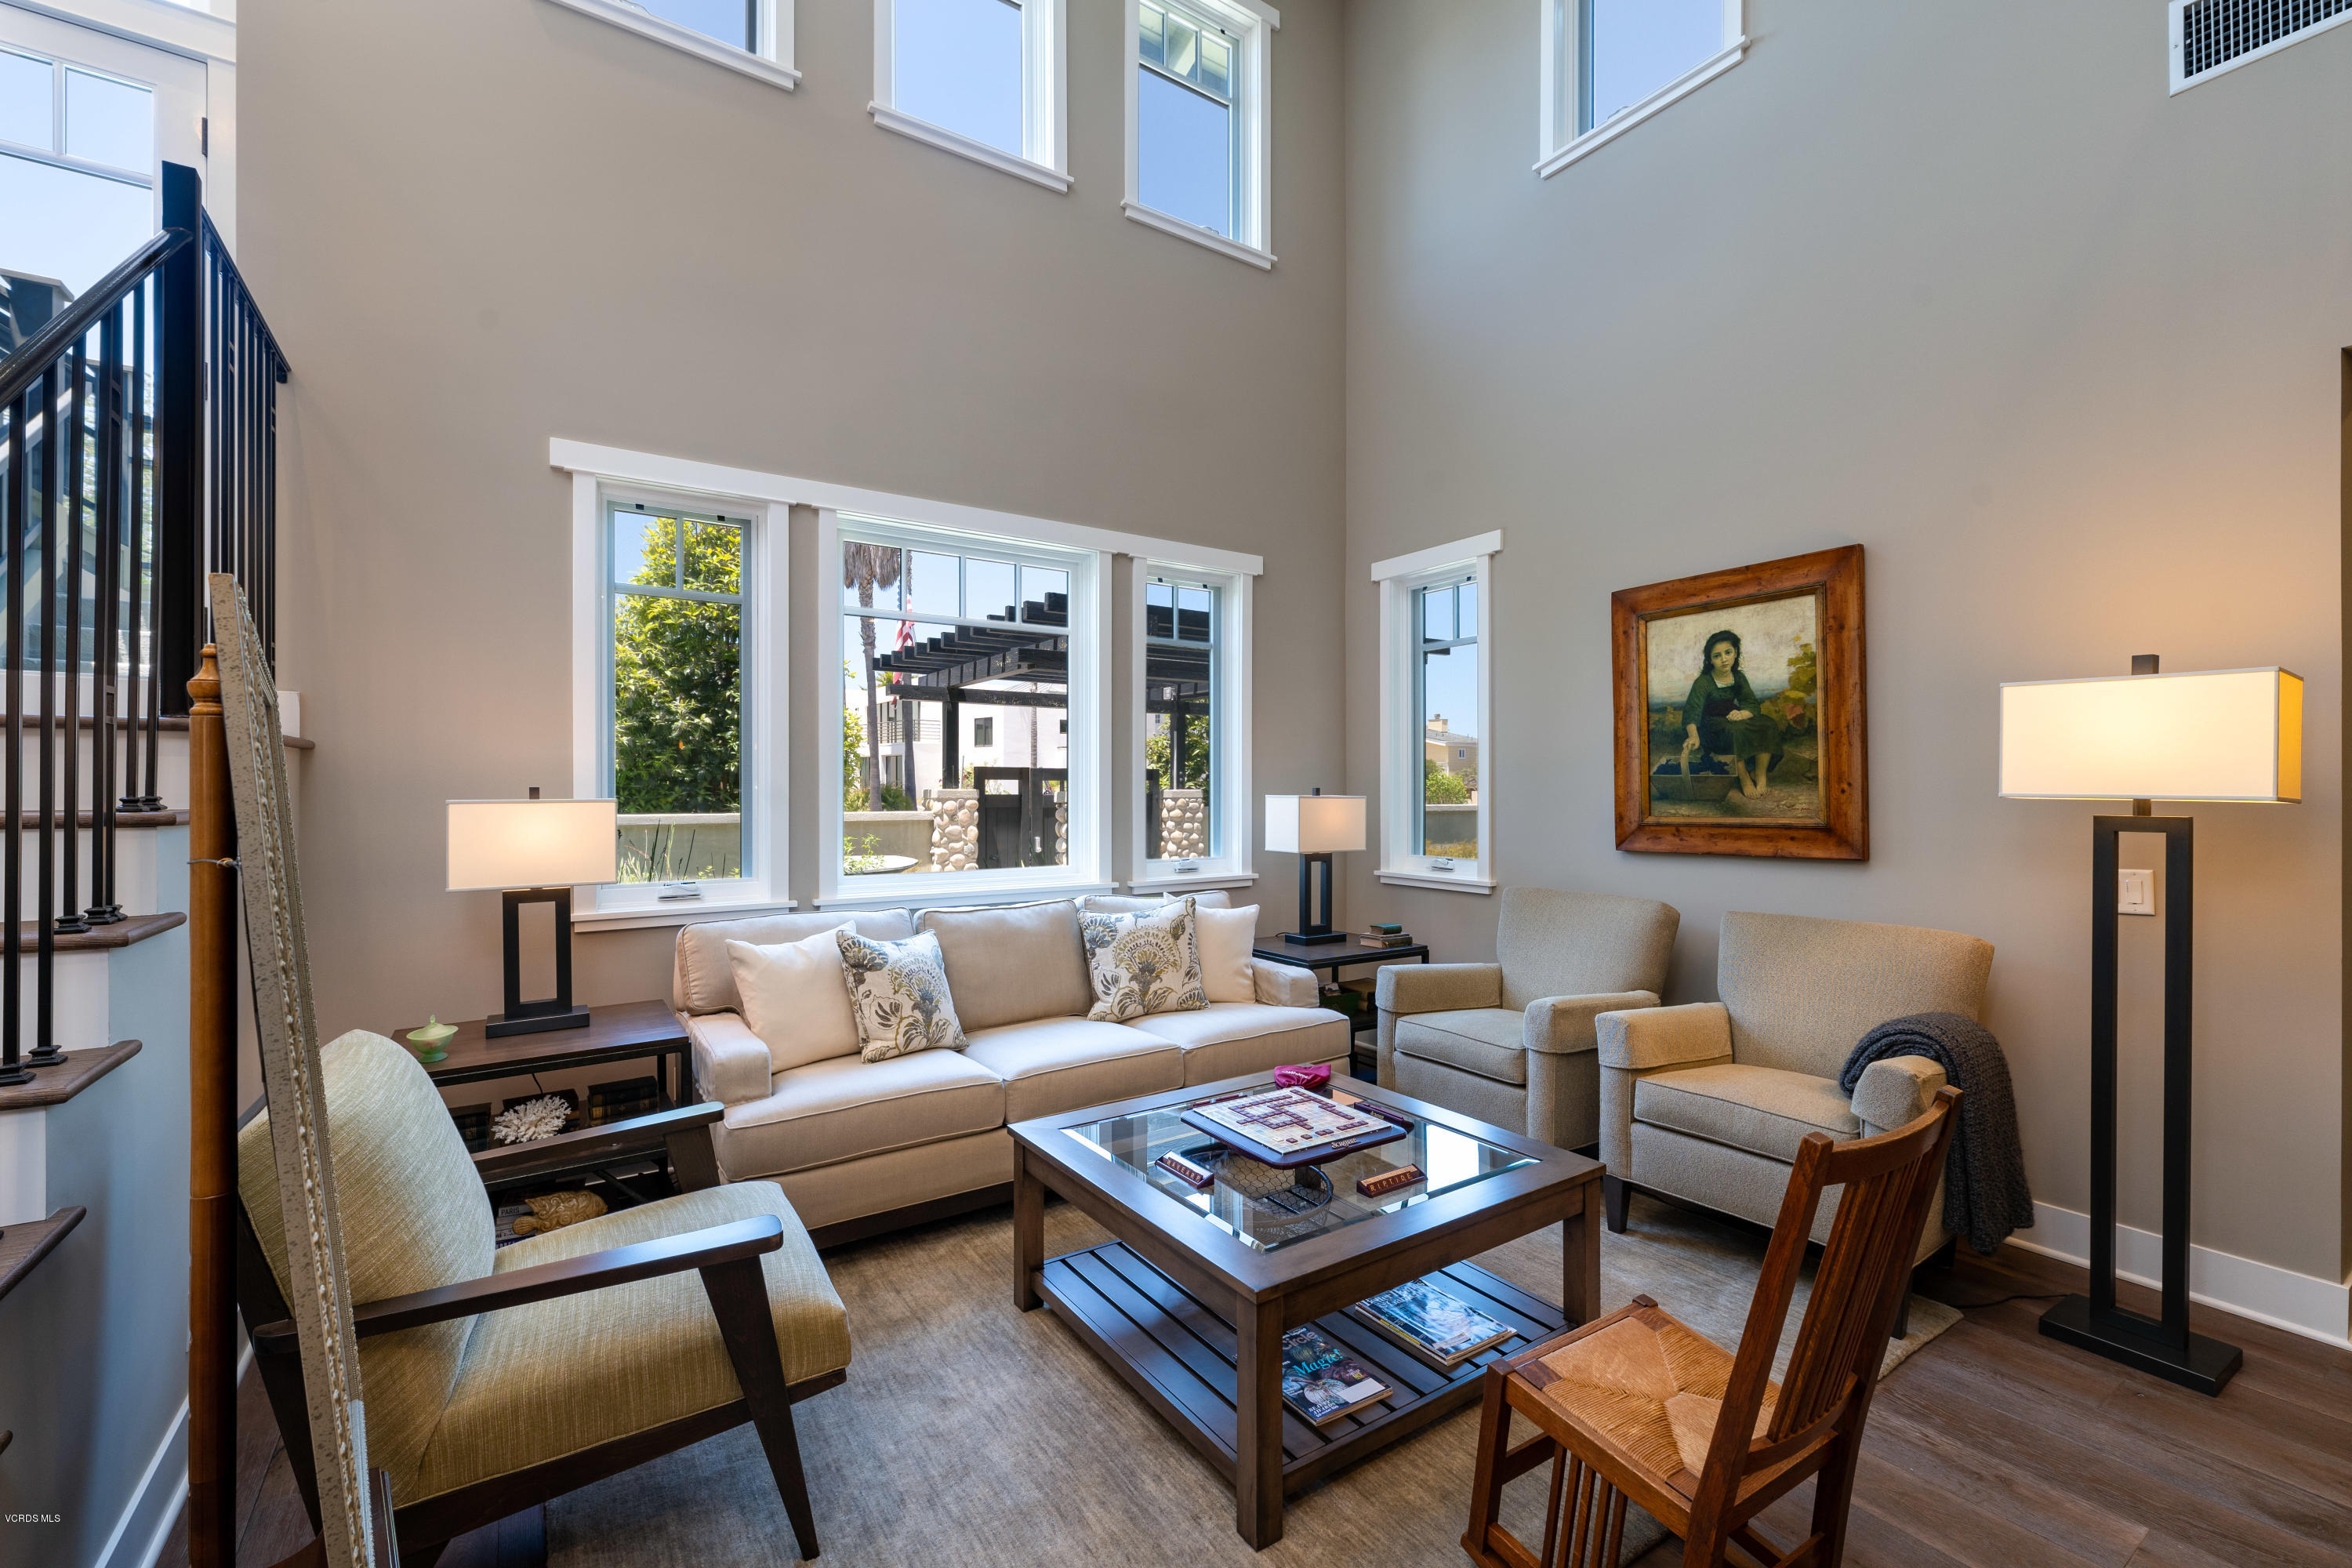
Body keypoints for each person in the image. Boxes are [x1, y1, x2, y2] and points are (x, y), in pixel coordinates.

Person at [1680, 630, 1781, 799]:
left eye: (1728, 653)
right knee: (1734, 731)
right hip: (1710, 725)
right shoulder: (1703, 682)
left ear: (1736, 653)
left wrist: (1743, 714)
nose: (1724, 659)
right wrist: (1693, 735)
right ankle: (1744, 778)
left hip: (1733, 716)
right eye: (1717, 656)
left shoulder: (1738, 677)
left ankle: (1760, 774)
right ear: (1710, 660)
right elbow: (1692, 711)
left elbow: (1751, 703)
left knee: (1768, 724)